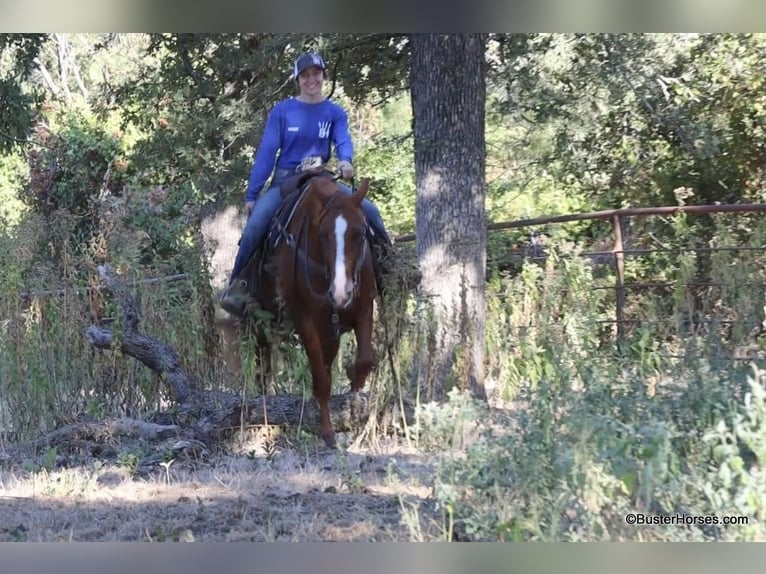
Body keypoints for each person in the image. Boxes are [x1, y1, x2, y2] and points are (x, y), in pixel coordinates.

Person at [220, 52, 392, 317]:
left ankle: (390, 272)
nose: (312, 79)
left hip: (321, 179)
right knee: (255, 225)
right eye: (305, 75)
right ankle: (237, 286)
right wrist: (252, 193)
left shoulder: (334, 112)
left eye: (316, 74)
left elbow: (343, 140)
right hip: (286, 180)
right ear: (298, 79)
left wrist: (345, 160)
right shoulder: (283, 111)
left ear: (323, 76)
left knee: (369, 210)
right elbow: (267, 152)